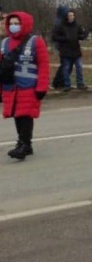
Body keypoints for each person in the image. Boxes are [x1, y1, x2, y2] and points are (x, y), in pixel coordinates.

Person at [2, 12, 50, 161]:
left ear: (25, 24)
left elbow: (43, 65)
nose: (13, 26)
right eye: (11, 23)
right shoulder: (4, 43)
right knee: (16, 114)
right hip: (10, 87)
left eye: (17, 23)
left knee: (25, 115)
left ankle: (24, 144)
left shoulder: (36, 42)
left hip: (28, 86)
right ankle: (23, 143)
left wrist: (42, 86)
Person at [51, 8, 87, 91]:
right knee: (66, 68)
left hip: (76, 50)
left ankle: (80, 83)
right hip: (65, 51)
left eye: (72, 15)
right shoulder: (60, 26)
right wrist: (65, 38)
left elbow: (81, 35)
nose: (71, 17)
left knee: (79, 67)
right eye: (69, 16)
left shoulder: (77, 26)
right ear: (66, 17)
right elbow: (54, 37)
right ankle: (66, 84)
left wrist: (81, 36)